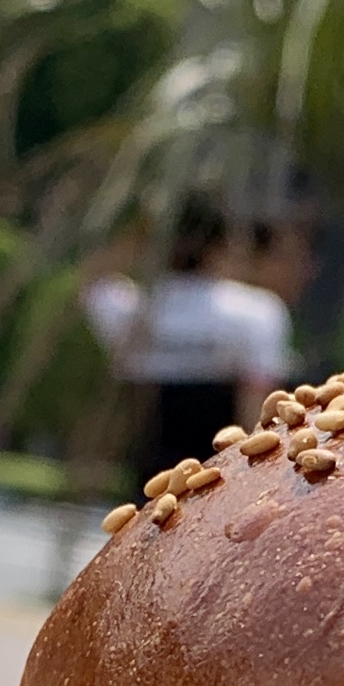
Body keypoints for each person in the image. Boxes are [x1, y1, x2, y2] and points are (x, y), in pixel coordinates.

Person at [81, 197, 294, 479]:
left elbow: (91, 275)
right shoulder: (254, 312)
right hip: (220, 471)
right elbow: (257, 408)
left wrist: (141, 235)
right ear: (220, 246)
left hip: (148, 478)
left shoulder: (129, 311)